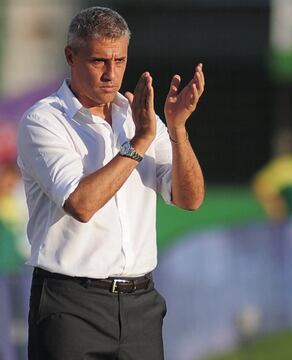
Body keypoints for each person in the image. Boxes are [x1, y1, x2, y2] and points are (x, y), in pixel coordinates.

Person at [17, 6, 205, 360]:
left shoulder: (141, 118)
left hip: (141, 305)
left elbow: (189, 199)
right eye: (99, 61)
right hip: (71, 306)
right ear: (70, 56)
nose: (111, 74)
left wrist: (177, 130)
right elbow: (81, 204)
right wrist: (138, 143)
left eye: (119, 61)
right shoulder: (43, 121)